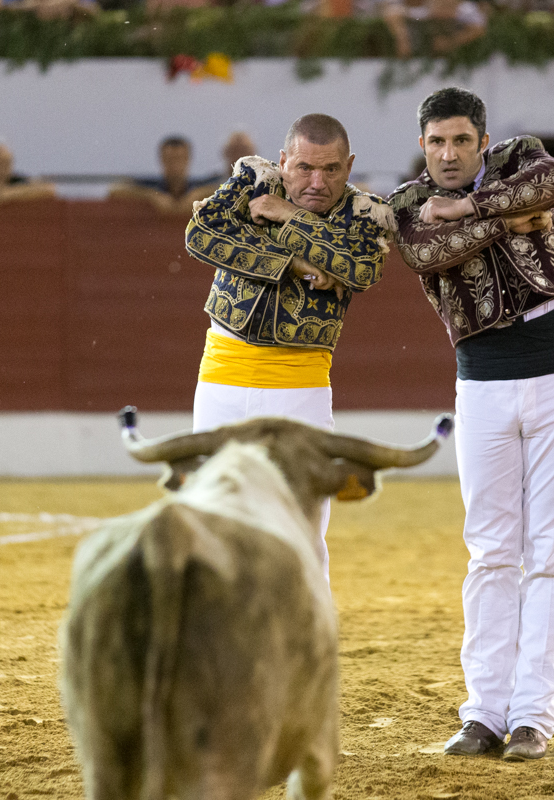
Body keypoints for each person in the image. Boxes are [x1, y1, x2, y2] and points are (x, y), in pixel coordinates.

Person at [388, 87, 554, 762]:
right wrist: (518, 219)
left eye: (460, 141)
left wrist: (475, 207)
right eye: (437, 142)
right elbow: (427, 253)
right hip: (481, 384)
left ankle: (534, 715)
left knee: (552, 550)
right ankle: (483, 714)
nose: (449, 154)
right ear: (423, 146)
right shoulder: (406, 205)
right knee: (492, 548)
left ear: (482, 141)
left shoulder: (519, 160)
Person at [183, 113, 393, 578]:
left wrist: (289, 215)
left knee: (303, 524)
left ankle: (303, 643)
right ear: (283, 161)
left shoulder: (368, 213)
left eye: (331, 170)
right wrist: (294, 263)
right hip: (222, 376)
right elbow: (201, 236)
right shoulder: (252, 179)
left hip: (298, 384)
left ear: (349, 165)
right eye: (303, 168)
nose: (317, 182)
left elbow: (361, 270)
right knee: (214, 518)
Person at [109, 136, 215, 215]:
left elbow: (226, 188)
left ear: (188, 159)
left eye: (179, 158)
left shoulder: (198, 185)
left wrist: (198, 194)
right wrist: (153, 196)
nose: (174, 164)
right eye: (170, 159)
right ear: (162, 159)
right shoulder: (152, 186)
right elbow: (115, 190)